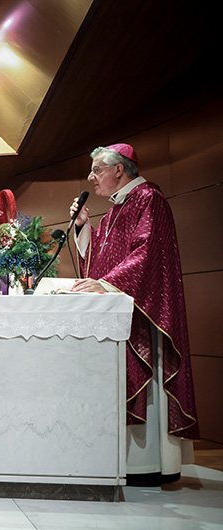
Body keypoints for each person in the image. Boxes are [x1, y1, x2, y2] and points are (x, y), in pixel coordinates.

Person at [69, 143, 199, 485]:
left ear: (118, 170)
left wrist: (106, 284)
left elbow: (147, 254)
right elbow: (103, 259)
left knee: (144, 380)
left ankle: (150, 464)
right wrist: (83, 227)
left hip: (143, 314)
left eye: (97, 170)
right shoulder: (114, 210)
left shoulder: (148, 200)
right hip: (120, 312)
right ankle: (125, 462)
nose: (91, 177)